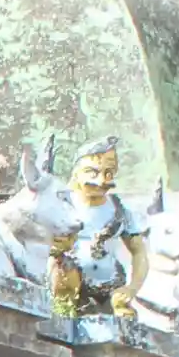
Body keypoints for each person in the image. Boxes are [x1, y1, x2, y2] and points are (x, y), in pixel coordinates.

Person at [47, 135, 148, 316]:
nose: (101, 181)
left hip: (110, 289)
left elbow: (139, 251)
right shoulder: (60, 204)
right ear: (76, 172)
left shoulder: (120, 210)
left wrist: (131, 289)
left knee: (123, 323)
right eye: (92, 173)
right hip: (66, 288)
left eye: (108, 174)